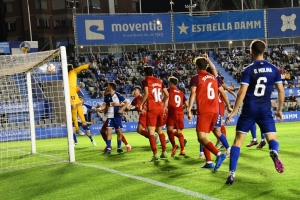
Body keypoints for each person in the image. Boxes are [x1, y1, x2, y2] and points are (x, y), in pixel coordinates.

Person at [225, 40, 285, 185]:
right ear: (264, 50)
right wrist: (279, 109)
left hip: (249, 109)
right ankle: (274, 151)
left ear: (251, 50)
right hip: (265, 109)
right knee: (272, 139)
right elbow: (281, 91)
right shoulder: (274, 69)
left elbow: (242, 93)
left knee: (237, 142)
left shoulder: (248, 69)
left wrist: (233, 111)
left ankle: (232, 173)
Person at [187, 56, 227, 171]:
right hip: (215, 111)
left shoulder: (196, 78)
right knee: (205, 136)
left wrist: (189, 109)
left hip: (204, 110)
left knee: (201, 137)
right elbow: (214, 72)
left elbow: (193, 93)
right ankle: (209, 162)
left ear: (197, 67)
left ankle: (219, 154)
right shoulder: (214, 78)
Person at [140, 66, 169, 162]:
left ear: (145, 73)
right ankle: (164, 152)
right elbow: (167, 95)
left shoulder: (145, 81)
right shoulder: (159, 81)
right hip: (160, 108)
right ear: (152, 73)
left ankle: (155, 154)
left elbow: (147, 93)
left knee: (151, 132)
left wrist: (141, 104)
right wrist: (161, 102)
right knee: (160, 130)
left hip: (152, 108)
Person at [97, 83, 129, 154]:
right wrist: (99, 109)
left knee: (119, 132)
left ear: (111, 87)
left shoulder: (118, 95)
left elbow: (126, 102)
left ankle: (119, 148)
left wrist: (121, 108)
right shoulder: (106, 96)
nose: (107, 87)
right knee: (108, 130)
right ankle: (108, 148)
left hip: (117, 116)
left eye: (108, 86)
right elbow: (104, 105)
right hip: (110, 116)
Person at [166, 77, 188, 157]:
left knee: (169, 130)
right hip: (180, 113)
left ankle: (174, 145)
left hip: (172, 112)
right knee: (179, 131)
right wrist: (180, 109)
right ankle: (183, 150)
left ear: (170, 83)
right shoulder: (181, 92)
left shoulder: (169, 90)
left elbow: (166, 99)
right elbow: (187, 104)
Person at [68, 63, 92, 135]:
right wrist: (88, 66)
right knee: (74, 109)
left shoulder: (69, 75)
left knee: (79, 105)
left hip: (72, 91)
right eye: (73, 66)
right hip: (70, 92)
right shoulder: (72, 72)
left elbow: (74, 89)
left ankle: (83, 122)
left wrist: (80, 87)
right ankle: (77, 128)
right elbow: (80, 68)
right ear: (71, 68)